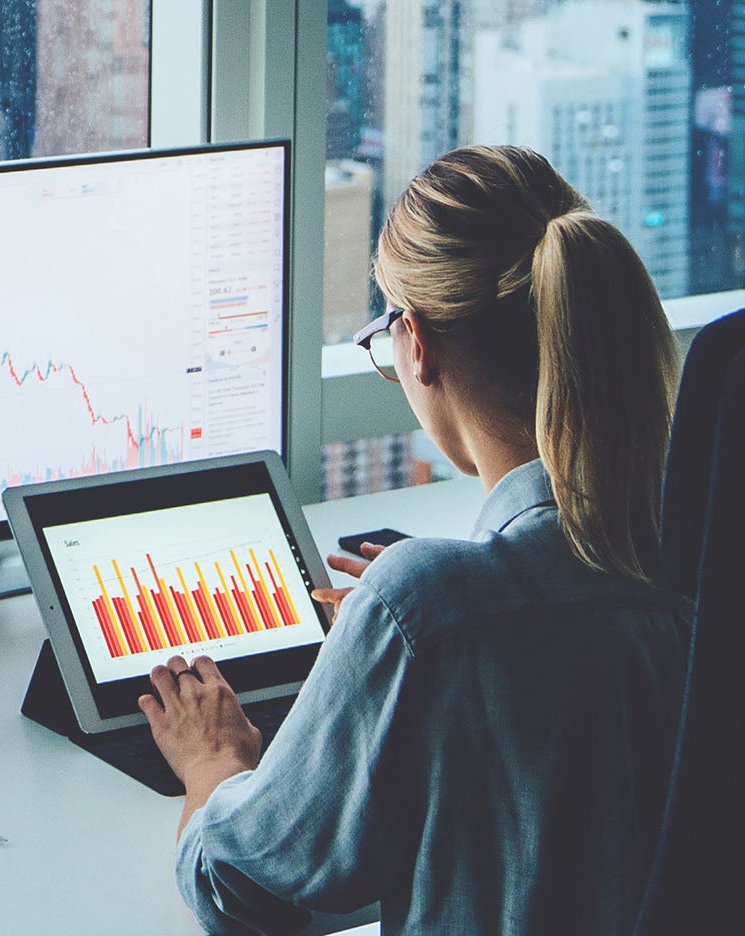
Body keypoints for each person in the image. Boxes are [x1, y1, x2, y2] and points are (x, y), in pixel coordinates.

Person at [143, 145, 695, 935]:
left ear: (418, 344)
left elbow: (244, 894)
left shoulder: (426, 606)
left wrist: (211, 763)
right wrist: (403, 641)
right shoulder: (700, 546)